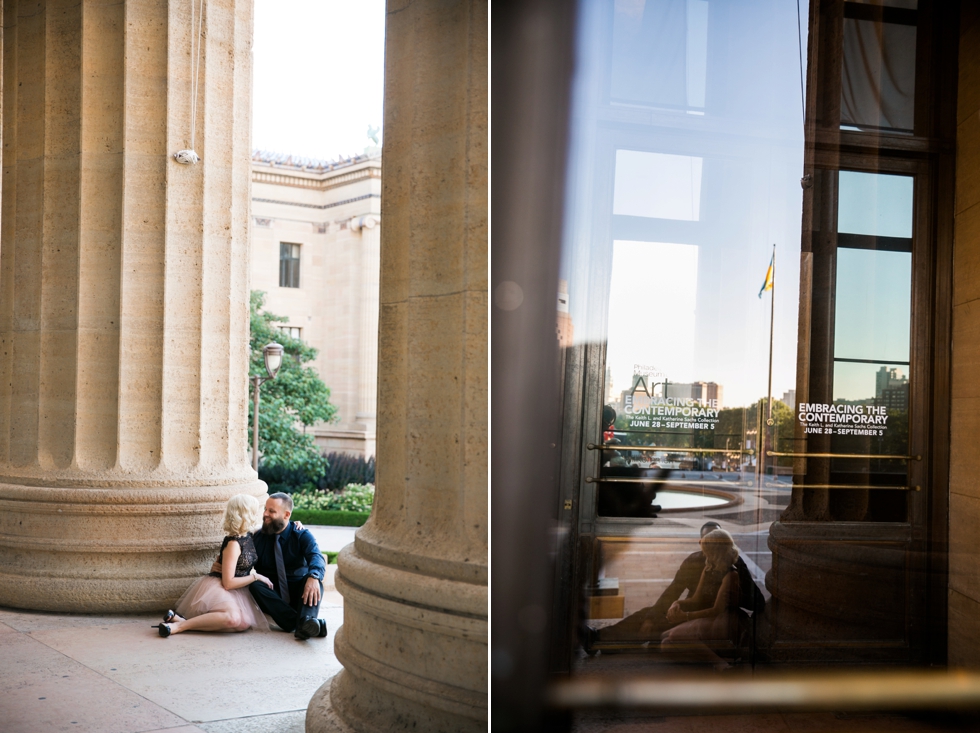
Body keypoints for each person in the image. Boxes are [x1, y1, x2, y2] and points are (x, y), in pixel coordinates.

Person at [587, 521, 764, 648]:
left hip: (716, 619)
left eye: (718, 544)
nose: (713, 549)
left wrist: (737, 597)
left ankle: (606, 642)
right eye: (709, 544)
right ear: (701, 543)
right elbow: (674, 591)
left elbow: (758, 602)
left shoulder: (735, 565)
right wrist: (655, 614)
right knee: (646, 617)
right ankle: (598, 639)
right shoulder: (695, 562)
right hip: (694, 611)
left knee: (660, 632)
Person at [154, 494, 273, 637]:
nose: (259, 513)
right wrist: (255, 576)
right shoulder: (234, 544)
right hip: (223, 585)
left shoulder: (248, 534)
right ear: (245, 514)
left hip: (238, 588)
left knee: (244, 623)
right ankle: (179, 626)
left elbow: (264, 526)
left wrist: (294, 523)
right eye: (254, 510)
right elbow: (228, 583)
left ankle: (180, 620)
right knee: (233, 619)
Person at [660, 528, 745, 669]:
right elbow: (696, 599)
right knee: (665, 643)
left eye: (707, 550)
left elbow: (717, 610)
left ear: (715, 552)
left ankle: (719, 663)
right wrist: (676, 603)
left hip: (724, 620)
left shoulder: (731, 575)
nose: (704, 554)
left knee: (674, 635)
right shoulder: (708, 569)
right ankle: (719, 657)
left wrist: (685, 616)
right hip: (708, 618)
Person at [248, 492, 328, 640]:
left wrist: (314, 576)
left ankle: (305, 623)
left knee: (314, 581)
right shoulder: (258, 538)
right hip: (274, 597)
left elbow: (316, 556)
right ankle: (306, 624)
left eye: (271, 511)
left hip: (301, 594)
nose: (265, 514)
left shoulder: (301, 535)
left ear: (286, 515)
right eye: (265, 509)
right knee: (255, 586)